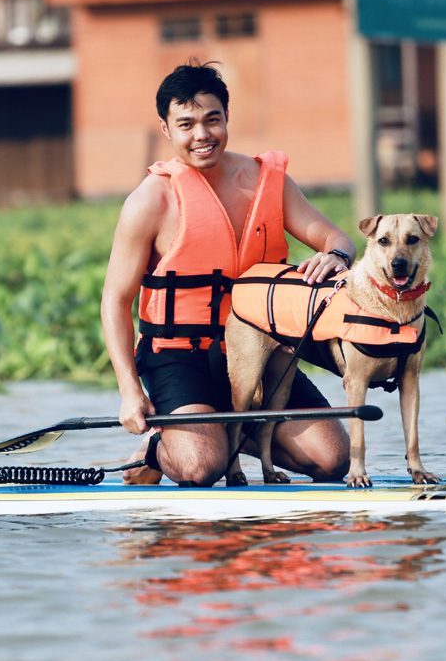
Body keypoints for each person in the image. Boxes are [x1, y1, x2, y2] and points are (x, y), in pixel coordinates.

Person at [100, 62, 355, 487]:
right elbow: (114, 300)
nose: (202, 135)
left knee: (332, 460)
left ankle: (223, 430)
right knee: (201, 468)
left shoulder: (267, 182)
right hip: (180, 356)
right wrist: (130, 391)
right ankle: (158, 449)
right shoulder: (149, 201)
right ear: (166, 130)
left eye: (211, 119)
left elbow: (334, 237)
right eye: (186, 124)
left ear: (226, 119)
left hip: (260, 354)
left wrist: (339, 256)